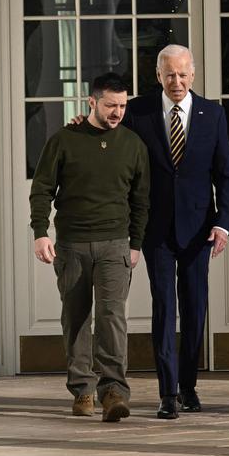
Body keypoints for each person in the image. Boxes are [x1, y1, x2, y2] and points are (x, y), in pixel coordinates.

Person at [124, 45, 229, 420]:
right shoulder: (137, 112)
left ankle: (189, 386)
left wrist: (223, 224)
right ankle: (166, 393)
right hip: (155, 230)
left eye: (183, 74)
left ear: (194, 75)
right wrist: (82, 124)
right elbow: (111, 147)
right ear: (158, 75)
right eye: (170, 74)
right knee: (163, 309)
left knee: (194, 309)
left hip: (199, 231)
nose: (177, 82)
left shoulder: (213, 114)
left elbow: (225, 175)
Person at [29, 72, 149, 422]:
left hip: (116, 245)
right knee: (76, 319)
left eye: (123, 106)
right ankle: (82, 391)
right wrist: (40, 231)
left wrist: (136, 243)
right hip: (71, 246)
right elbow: (42, 189)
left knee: (112, 318)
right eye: (110, 105)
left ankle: (113, 392)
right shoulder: (64, 141)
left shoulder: (132, 145)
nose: (117, 112)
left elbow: (141, 200)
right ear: (91, 102)